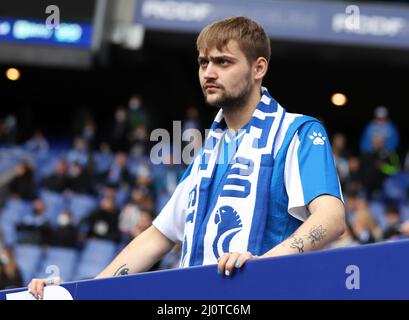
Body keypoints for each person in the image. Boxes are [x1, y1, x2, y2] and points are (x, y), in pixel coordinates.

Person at [28, 16, 345, 299]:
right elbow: (157, 237)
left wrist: (264, 265)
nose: (209, 72)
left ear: (258, 68)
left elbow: (331, 218)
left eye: (223, 62)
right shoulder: (207, 151)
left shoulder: (298, 131)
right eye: (203, 62)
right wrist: (83, 295)